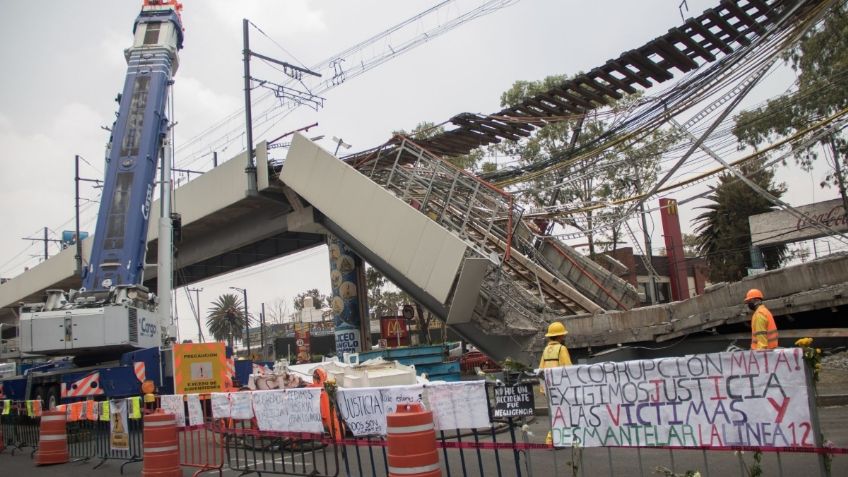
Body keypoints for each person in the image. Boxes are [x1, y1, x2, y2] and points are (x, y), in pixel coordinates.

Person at [538, 321, 572, 446]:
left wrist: (542, 388)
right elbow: (568, 369)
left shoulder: (546, 350)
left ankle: (553, 439)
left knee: (555, 413)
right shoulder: (561, 349)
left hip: (548, 387)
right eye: (563, 335)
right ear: (560, 336)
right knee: (562, 413)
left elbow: (541, 369)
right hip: (560, 388)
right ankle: (552, 439)